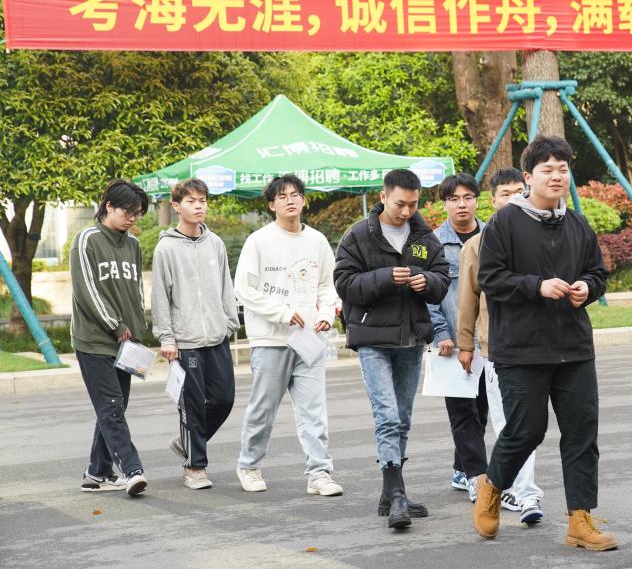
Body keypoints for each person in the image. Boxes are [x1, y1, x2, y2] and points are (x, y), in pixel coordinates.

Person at [471, 135, 615, 551]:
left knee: (582, 434)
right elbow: (490, 279)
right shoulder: (504, 223)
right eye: (547, 170)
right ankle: (492, 486)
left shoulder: (577, 224)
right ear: (528, 177)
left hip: (574, 347)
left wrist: (587, 287)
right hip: (521, 349)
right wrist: (537, 286)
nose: (557, 176)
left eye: (563, 170)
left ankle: (580, 520)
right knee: (526, 429)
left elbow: (597, 272)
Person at [334, 168, 450, 529]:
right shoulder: (358, 235)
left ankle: (390, 493)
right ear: (383, 197)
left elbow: (442, 281)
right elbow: (344, 284)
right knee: (387, 415)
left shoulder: (424, 236)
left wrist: (425, 280)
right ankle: (397, 494)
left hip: (412, 339)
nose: (406, 211)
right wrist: (385, 277)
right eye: (400, 204)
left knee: (402, 417)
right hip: (373, 340)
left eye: (413, 204)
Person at [234, 174, 342, 497]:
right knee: (263, 408)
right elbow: (244, 289)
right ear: (271, 205)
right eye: (282, 196)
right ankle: (249, 465)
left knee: (314, 411)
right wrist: (281, 312)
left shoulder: (317, 241)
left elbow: (328, 285)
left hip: (308, 339)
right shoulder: (259, 241)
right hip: (271, 339)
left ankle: (319, 473)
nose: (290, 200)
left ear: (304, 200)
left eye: (295, 194)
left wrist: (325, 314)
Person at [456, 167, 545, 525]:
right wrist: (465, 343)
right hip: (496, 348)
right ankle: (523, 493)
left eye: (518, 192)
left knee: (528, 421)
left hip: (538, 344)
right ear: (492, 201)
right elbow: (467, 299)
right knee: (508, 421)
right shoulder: (476, 245)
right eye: (504, 194)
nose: (512, 199)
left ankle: (517, 490)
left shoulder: (540, 235)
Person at [151, 178, 240, 490]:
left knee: (224, 399)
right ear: (176, 206)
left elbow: (225, 285)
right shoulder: (166, 248)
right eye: (191, 201)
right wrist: (167, 338)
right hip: (185, 341)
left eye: (202, 200)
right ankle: (195, 466)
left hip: (216, 335)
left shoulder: (215, 243)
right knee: (192, 404)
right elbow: (160, 296)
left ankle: (187, 441)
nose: (199, 206)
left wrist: (229, 323)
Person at [71, 179, 150, 497]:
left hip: (127, 343)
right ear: (109, 206)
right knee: (112, 407)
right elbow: (86, 290)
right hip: (94, 341)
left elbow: (136, 291)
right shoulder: (87, 239)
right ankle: (133, 470)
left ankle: (97, 473)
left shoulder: (134, 245)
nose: (132, 218)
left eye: (137, 213)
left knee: (114, 408)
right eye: (128, 211)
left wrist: (138, 330)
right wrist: (115, 324)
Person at [426, 173, 493, 505]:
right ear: (445, 204)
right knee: (463, 411)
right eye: (454, 199)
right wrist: (440, 332)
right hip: (452, 342)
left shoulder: (494, 237)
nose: (461, 205)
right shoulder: (433, 243)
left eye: (467, 197)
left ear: (477, 200)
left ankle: (459, 467)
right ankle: (477, 476)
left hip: (489, 342)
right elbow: (427, 293)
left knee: (482, 410)